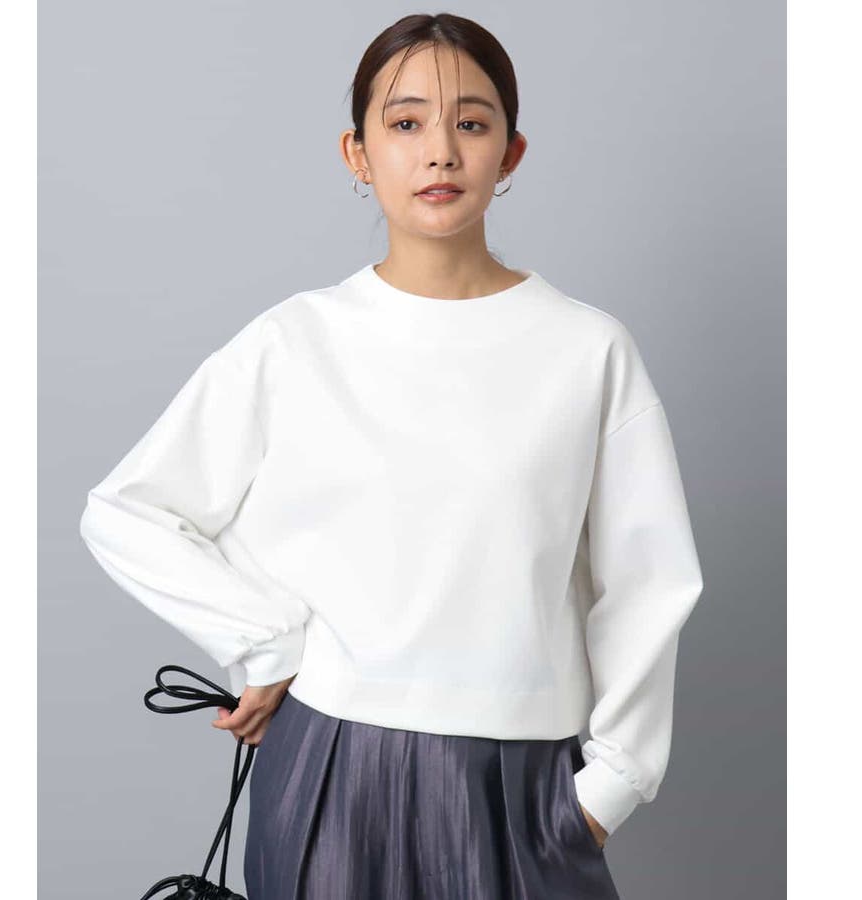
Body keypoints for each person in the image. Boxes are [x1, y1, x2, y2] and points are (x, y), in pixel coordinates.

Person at [79, 12, 703, 900]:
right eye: (406, 123)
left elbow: (647, 583)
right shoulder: (295, 342)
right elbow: (128, 510)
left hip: (523, 782)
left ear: (511, 153)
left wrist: (610, 786)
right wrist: (266, 642)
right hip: (329, 765)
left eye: (471, 123)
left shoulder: (586, 351)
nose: (439, 152)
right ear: (358, 154)